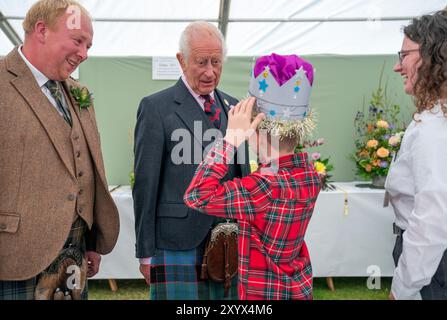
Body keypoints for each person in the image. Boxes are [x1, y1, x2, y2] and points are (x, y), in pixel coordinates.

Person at [0, 0, 119, 300]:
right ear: (41, 30)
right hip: (14, 256)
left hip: (75, 253)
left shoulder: (78, 92)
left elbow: (87, 168)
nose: (85, 54)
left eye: (88, 45)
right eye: (78, 41)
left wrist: (91, 239)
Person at [184, 53, 322, 300]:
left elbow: (197, 195)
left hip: (264, 295)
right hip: (298, 289)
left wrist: (229, 140)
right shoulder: (310, 175)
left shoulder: (262, 187)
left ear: (253, 131)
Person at [133, 21, 249, 300]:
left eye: (216, 62)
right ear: (181, 61)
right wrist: (146, 252)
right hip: (176, 242)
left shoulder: (234, 106)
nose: (210, 72)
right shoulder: (155, 107)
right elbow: (146, 184)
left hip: (229, 241)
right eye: (201, 62)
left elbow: (242, 176)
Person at [386, 10, 447, 300]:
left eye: (404, 55)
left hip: (434, 268)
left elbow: (432, 218)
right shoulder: (437, 116)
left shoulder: (436, 127)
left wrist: (403, 286)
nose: (398, 67)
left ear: (430, 55)